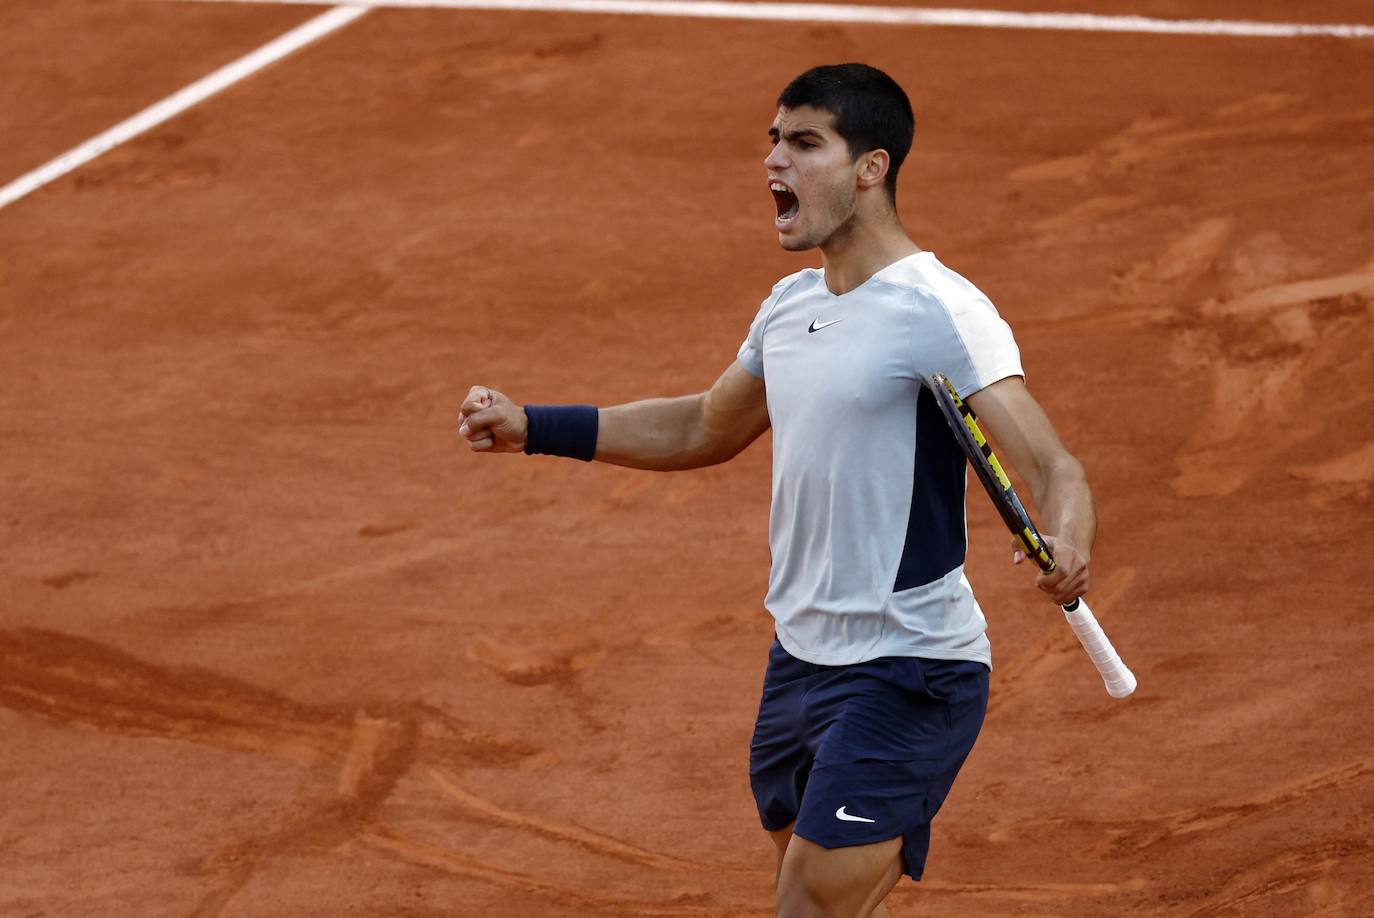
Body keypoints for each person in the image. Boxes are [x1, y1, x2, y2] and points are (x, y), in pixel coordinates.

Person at [457, 63, 1095, 918]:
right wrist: (537, 425)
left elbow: (1053, 466)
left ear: (870, 168)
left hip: (911, 666)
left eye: (804, 144)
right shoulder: (790, 307)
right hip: (798, 659)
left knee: (808, 906)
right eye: (774, 143)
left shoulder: (939, 309)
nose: (775, 164)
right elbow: (702, 428)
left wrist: (1069, 537)